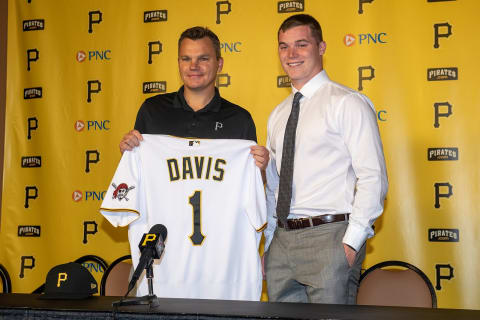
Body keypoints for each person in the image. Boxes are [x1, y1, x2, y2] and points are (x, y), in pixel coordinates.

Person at [263, 14, 388, 304]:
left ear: (321, 48)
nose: (291, 54)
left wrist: (351, 241)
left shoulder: (347, 103)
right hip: (282, 241)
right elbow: (274, 185)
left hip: (330, 239)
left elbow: (373, 177)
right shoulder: (278, 114)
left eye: (301, 44)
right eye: (283, 46)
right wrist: (269, 242)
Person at [119, 26, 268, 171]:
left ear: (219, 64)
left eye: (203, 58)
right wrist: (129, 152)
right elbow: (136, 175)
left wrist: (260, 169)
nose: (193, 66)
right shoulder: (152, 110)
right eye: (186, 59)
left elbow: (251, 185)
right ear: (178, 63)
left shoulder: (239, 120)